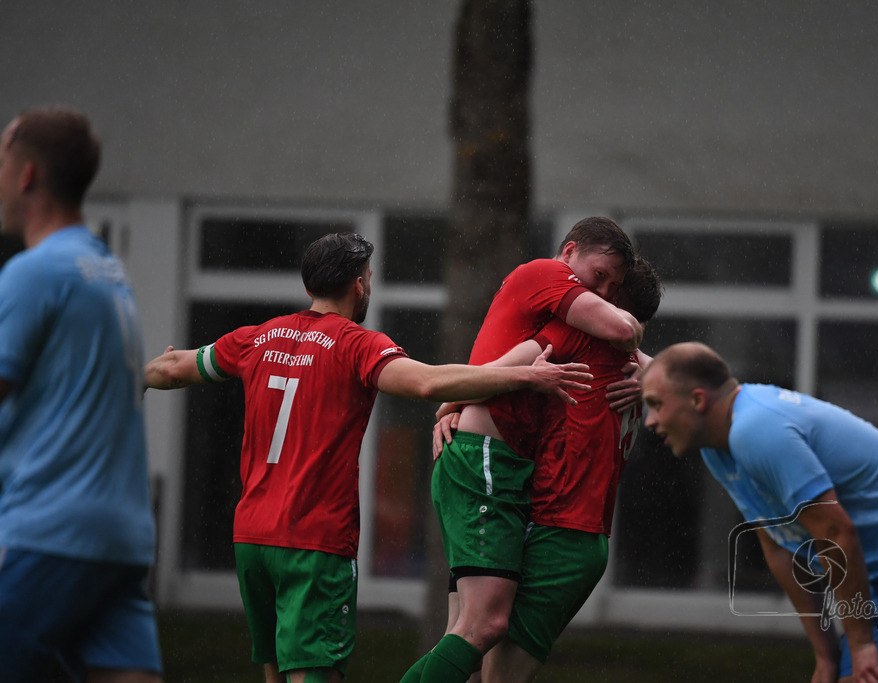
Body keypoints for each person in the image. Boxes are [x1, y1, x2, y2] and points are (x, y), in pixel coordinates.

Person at [143, 232, 593, 683]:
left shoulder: (255, 338)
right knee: (314, 673)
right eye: (370, 280)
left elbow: (172, 367)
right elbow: (428, 384)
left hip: (252, 538)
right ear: (359, 285)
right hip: (313, 540)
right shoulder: (357, 344)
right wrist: (524, 376)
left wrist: (139, 379)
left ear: (309, 287)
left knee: (275, 671)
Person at [640, 342, 878, 683]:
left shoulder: (756, 430)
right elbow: (780, 547)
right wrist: (826, 653)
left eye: (656, 404)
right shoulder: (717, 448)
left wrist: (861, 644)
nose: (649, 422)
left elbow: (835, 533)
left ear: (698, 399)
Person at [401, 217, 643, 683]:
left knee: (468, 642)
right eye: (600, 276)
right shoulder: (543, 273)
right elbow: (622, 331)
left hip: (497, 463)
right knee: (486, 625)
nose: (605, 292)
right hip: (487, 458)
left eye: (615, 285)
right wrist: (455, 404)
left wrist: (645, 377)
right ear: (569, 252)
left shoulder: (563, 322)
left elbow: (640, 356)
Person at [0, 107, 163, 681]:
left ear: (26, 176)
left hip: (50, 531)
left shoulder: (35, 272)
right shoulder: (105, 271)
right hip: (119, 540)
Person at [465, 259, 664, 683]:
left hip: (563, 531)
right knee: (486, 665)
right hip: (581, 534)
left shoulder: (581, 335)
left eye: (603, 287)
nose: (590, 291)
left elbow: (503, 368)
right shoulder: (637, 367)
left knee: (495, 674)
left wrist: (454, 405)